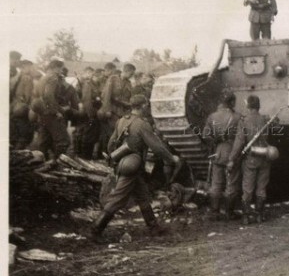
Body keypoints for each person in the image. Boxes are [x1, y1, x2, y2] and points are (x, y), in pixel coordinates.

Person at [89, 95, 181, 243]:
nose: (148, 108)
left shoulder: (122, 120)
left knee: (142, 195)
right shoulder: (142, 124)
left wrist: (116, 160)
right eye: (147, 106)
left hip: (127, 165)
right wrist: (171, 158)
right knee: (117, 198)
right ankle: (96, 229)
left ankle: (154, 227)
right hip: (132, 165)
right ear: (143, 106)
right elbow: (157, 147)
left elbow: (111, 143)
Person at [227, 95, 272, 223]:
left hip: (251, 159)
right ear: (258, 106)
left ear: (248, 106)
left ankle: (246, 217)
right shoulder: (265, 119)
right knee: (261, 188)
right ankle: (259, 215)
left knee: (247, 188)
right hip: (265, 157)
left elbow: (239, 142)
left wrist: (232, 159)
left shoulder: (244, 121)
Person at [204, 90, 242, 220]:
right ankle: (229, 213)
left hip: (218, 153)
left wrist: (216, 141)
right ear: (231, 102)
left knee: (216, 184)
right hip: (232, 152)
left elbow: (206, 136)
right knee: (231, 183)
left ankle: (214, 212)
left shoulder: (212, 117)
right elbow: (242, 137)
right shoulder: (237, 117)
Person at [30, 59, 70, 159]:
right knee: (63, 141)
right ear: (55, 68)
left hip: (42, 112)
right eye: (60, 68)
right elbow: (48, 95)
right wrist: (56, 112)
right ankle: (57, 163)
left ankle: (39, 164)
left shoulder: (43, 78)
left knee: (44, 140)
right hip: (50, 112)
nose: (61, 70)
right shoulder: (53, 78)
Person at [9, 60, 36, 149]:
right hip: (22, 110)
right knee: (24, 137)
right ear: (25, 67)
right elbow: (28, 97)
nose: (32, 69)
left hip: (12, 109)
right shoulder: (27, 78)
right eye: (30, 67)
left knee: (14, 137)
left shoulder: (14, 78)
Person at [78, 69, 104, 159]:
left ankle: (89, 154)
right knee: (88, 135)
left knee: (93, 135)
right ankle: (86, 156)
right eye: (99, 75)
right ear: (95, 75)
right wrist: (90, 115)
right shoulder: (88, 85)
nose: (101, 77)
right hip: (90, 113)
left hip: (95, 113)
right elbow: (87, 101)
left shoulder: (97, 85)